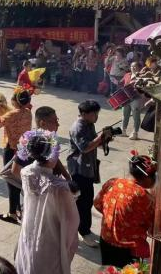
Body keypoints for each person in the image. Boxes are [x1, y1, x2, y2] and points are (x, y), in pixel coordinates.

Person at [14, 131, 79, 274]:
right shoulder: (59, 187)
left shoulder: (25, 172)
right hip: (50, 236)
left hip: (29, 228)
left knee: (28, 259)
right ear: (52, 155)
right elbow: (71, 220)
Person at [94, 153, 156, 267]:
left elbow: (97, 204)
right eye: (153, 176)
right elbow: (152, 226)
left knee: (108, 270)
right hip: (128, 248)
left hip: (106, 240)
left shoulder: (112, 182)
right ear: (146, 177)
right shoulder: (144, 197)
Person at [67, 99, 112, 248]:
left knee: (86, 200)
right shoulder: (78, 127)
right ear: (84, 114)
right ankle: (83, 231)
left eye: (97, 113)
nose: (96, 117)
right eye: (94, 114)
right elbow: (85, 147)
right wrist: (100, 137)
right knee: (83, 202)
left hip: (88, 167)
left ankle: (84, 228)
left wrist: (105, 139)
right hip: (79, 169)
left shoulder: (89, 124)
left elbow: (94, 143)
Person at [0, 89, 33, 225]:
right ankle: (19, 208)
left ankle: (12, 213)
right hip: (24, 150)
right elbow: (16, 112)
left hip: (11, 149)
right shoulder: (28, 113)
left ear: (15, 101)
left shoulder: (10, 115)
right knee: (20, 180)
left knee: (11, 180)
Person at [121, 61, 142, 140]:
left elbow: (143, 88)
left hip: (136, 98)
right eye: (132, 66)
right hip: (126, 98)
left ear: (138, 68)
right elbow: (121, 83)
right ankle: (123, 131)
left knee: (136, 116)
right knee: (125, 114)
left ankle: (135, 133)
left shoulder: (141, 76)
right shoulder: (127, 75)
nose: (133, 68)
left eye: (135, 66)